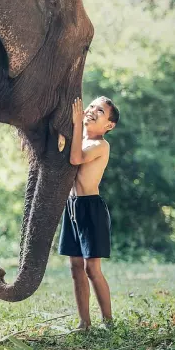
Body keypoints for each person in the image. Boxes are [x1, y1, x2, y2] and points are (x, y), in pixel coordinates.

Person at [59, 96, 120, 330]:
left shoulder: (100, 145)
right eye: (92, 106)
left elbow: (75, 158)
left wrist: (75, 123)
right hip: (72, 206)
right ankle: (84, 322)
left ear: (109, 126)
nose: (93, 111)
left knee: (91, 268)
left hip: (91, 208)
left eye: (101, 111)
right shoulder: (80, 139)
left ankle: (109, 322)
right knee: (75, 267)